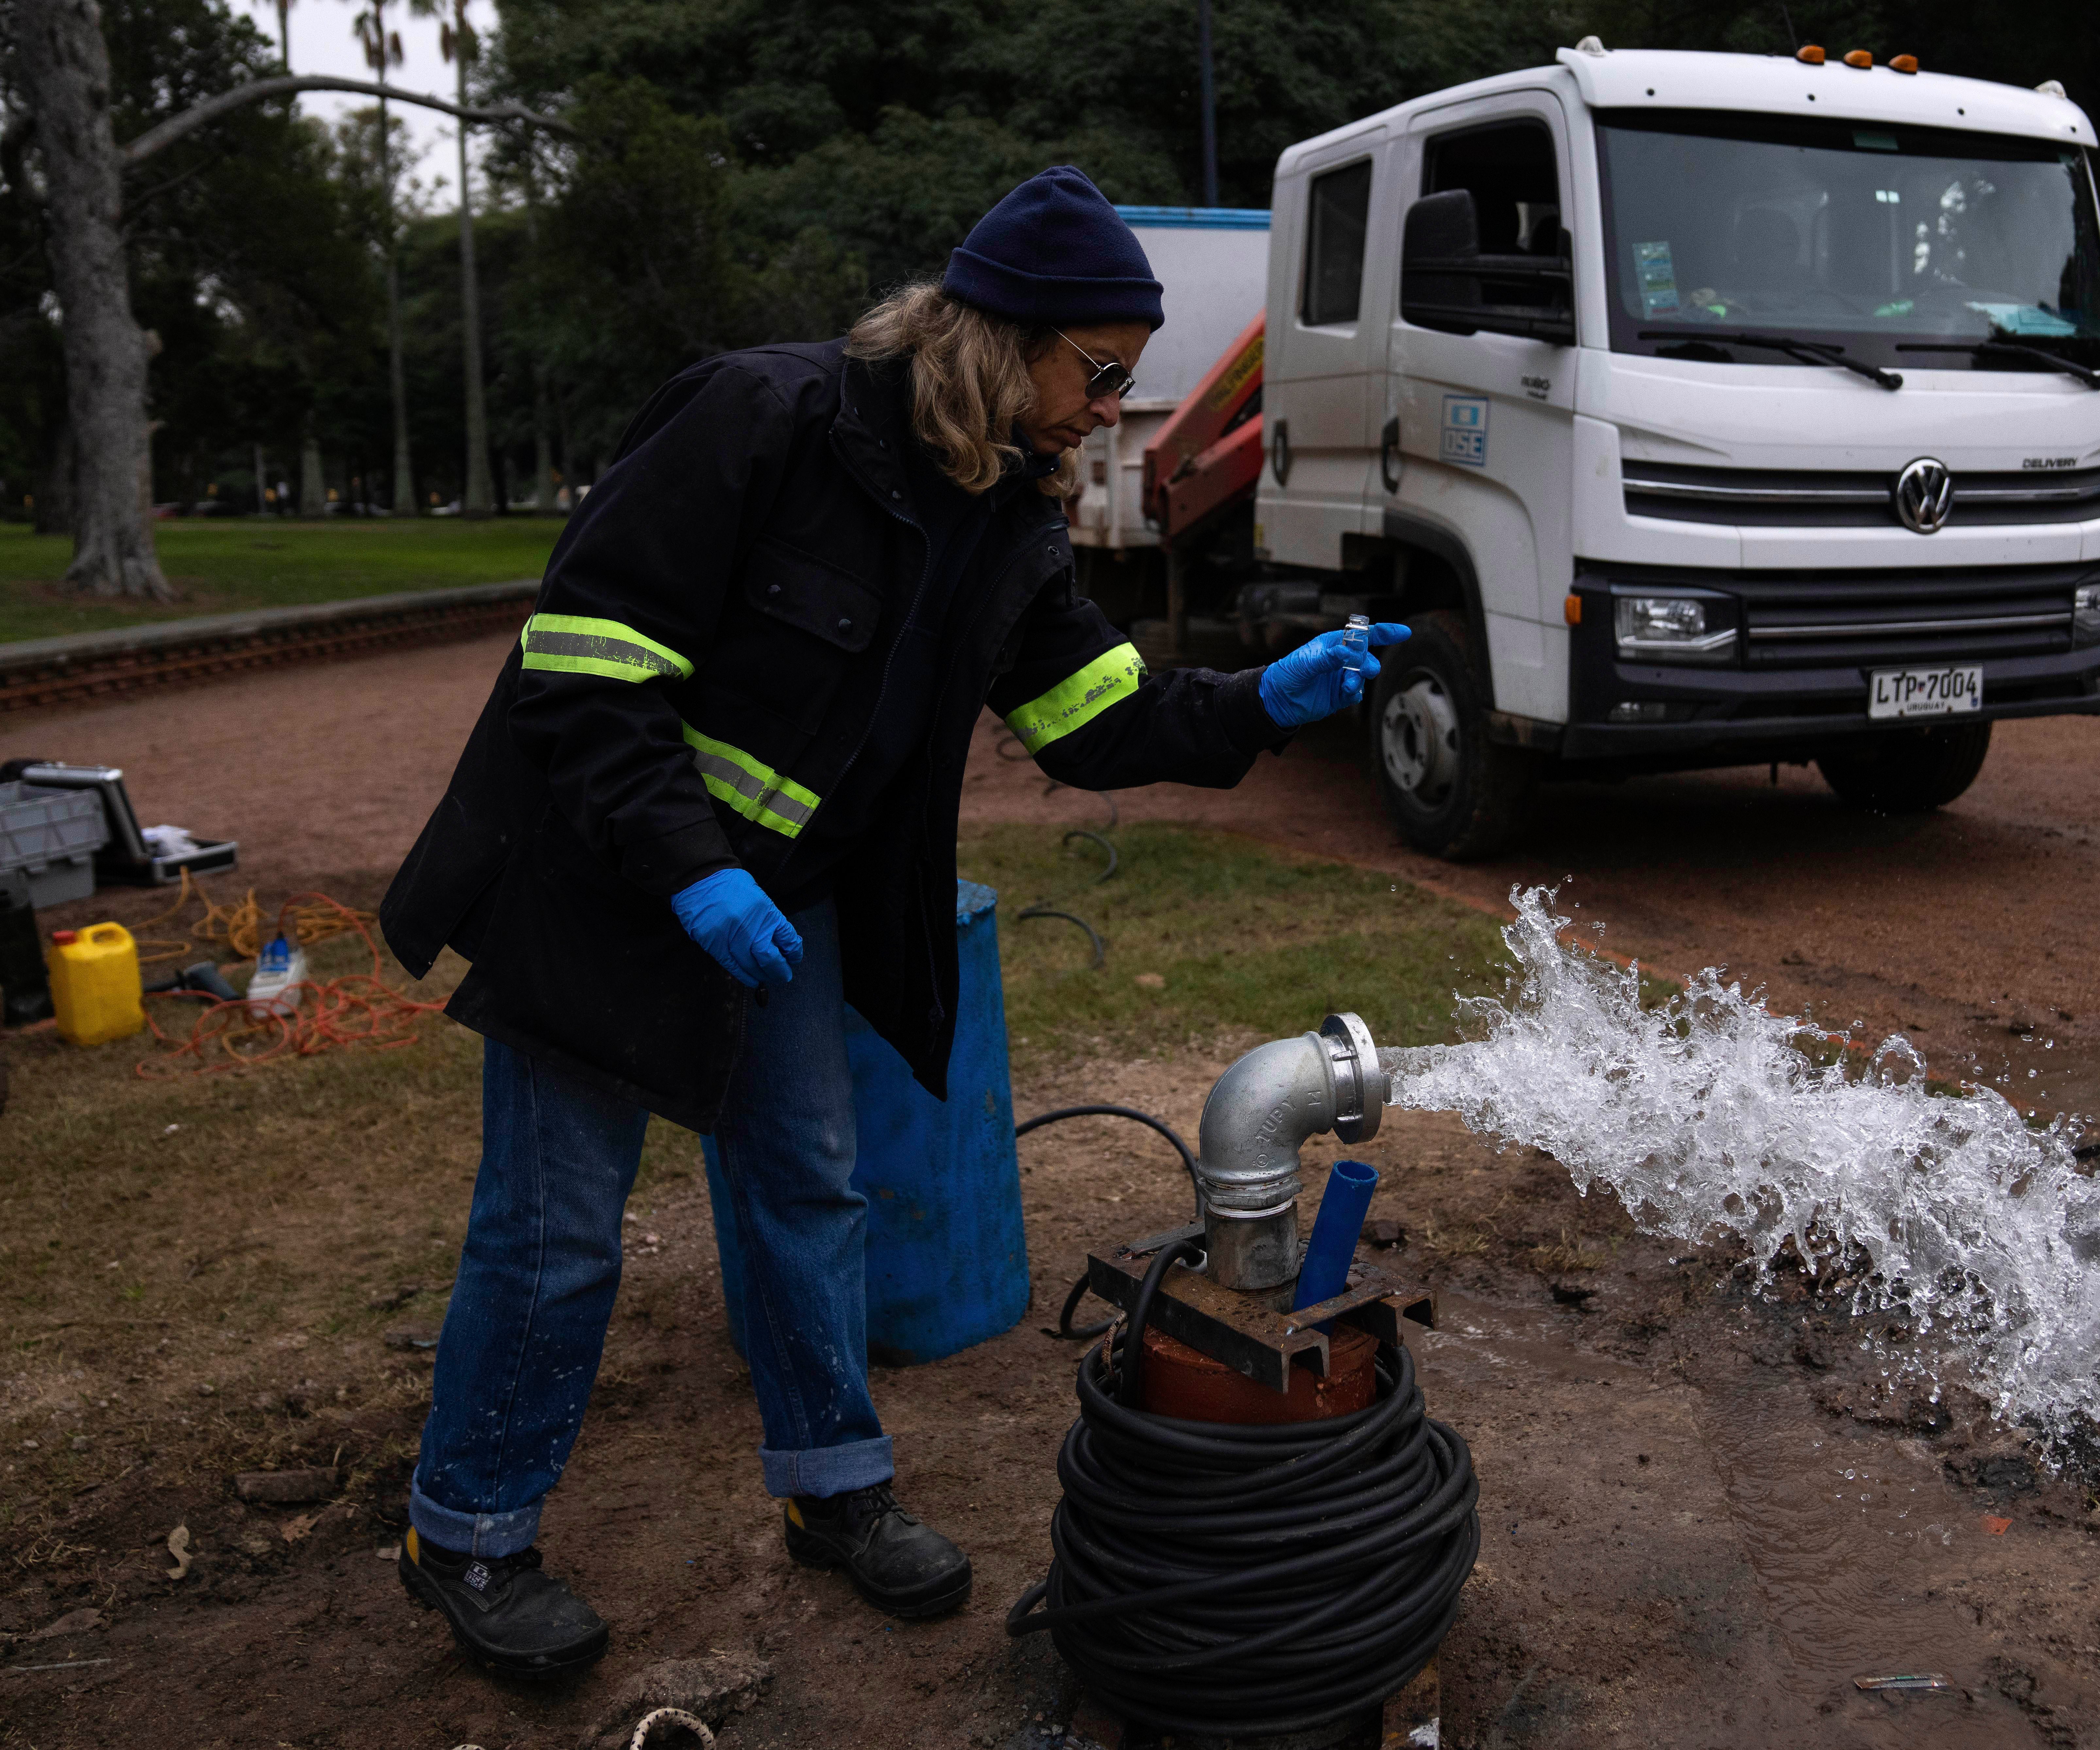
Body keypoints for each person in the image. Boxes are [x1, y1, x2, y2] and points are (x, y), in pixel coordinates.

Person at [378, 166, 1406, 1680]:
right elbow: (587, 662)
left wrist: (1257, 699)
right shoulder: (758, 417)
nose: (1110, 410)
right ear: (1004, 337)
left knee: (811, 1194)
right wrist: (685, 864)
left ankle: (835, 1494)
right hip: (599, 891)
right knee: (554, 1239)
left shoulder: (1007, 513)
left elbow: (1085, 711)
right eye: (1100, 373)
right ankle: (465, 1532)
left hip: (775, 909)